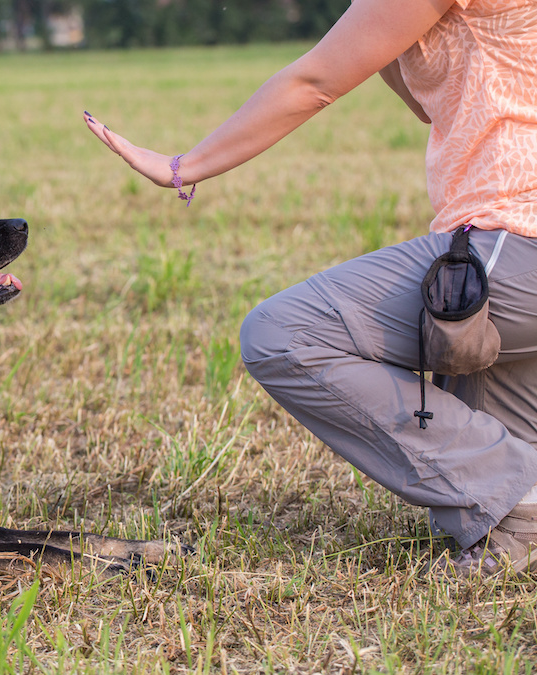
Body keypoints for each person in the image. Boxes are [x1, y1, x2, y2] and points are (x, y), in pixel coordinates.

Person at [84, 0, 537, 576]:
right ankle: (518, 515)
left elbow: (315, 81)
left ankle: (517, 488)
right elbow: (420, 98)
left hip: (515, 235)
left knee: (282, 333)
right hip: (517, 245)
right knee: (489, 435)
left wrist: (183, 166)